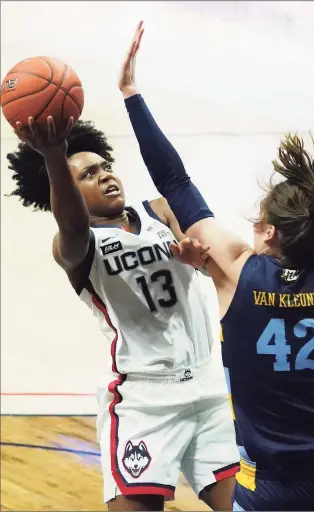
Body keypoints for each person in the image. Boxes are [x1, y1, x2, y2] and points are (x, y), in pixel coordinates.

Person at [121, 21, 314, 511]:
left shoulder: (236, 270)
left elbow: (175, 182)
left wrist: (131, 94)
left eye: (257, 219)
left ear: (269, 233)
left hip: (274, 483)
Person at [6, 51, 239, 512]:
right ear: (69, 192)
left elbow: (183, 193)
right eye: (88, 175)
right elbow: (71, 223)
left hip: (209, 390)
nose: (105, 175)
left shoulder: (161, 213)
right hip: (144, 402)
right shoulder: (75, 246)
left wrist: (197, 258)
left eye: (104, 165)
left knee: (250, 505)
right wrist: (54, 154)